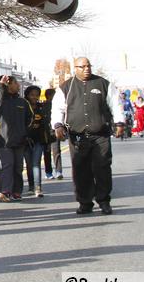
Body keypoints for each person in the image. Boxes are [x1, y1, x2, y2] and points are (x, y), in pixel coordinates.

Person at [51, 57, 123, 215]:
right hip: (77, 136)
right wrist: (57, 125)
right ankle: (85, 202)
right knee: (81, 170)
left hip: (100, 134)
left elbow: (115, 104)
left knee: (102, 167)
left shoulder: (103, 84)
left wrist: (119, 123)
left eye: (88, 66)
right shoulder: (66, 87)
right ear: (75, 68)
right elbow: (57, 109)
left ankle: (104, 201)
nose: (86, 69)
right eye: (82, 66)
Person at [0, 76, 31, 202]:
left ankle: (16, 191)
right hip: (4, 140)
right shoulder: (0, 100)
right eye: (16, 83)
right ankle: (5, 190)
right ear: (9, 85)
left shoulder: (23, 102)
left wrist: (24, 131)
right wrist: (1, 87)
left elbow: (29, 119)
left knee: (18, 167)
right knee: (7, 165)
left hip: (20, 140)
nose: (18, 86)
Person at [23, 86, 49, 198]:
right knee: (29, 165)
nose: (34, 97)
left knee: (36, 164)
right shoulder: (23, 107)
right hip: (25, 141)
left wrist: (47, 142)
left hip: (38, 140)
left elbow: (45, 126)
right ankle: (31, 187)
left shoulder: (41, 108)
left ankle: (38, 188)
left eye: (36, 95)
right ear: (27, 95)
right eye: (32, 94)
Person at [43, 88, 60, 179]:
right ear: (49, 96)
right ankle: (48, 172)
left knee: (56, 151)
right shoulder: (43, 105)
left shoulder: (57, 105)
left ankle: (59, 171)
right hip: (45, 133)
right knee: (47, 153)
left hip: (54, 131)